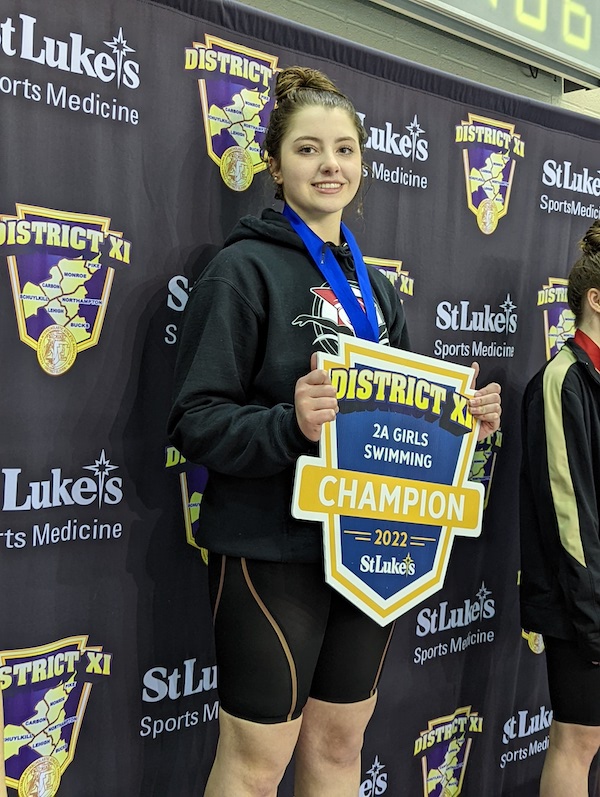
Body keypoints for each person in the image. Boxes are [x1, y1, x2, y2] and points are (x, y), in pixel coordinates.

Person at [168, 66, 502, 797]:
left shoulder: (375, 289)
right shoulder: (240, 270)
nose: (330, 165)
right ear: (274, 165)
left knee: (341, 745)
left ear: (362, 164)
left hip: (370, 548)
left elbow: (398, 426)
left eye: (344, 149)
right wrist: (290, 424)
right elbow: (195, 421)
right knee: (256, 766)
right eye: (308, 149)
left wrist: (462, 427)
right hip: (271, 548)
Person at [520, 219, 600, 797]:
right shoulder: (562, 379)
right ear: (596, 300)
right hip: (582, 601)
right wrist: (594, 619)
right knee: (578, 739)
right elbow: (567, 513)